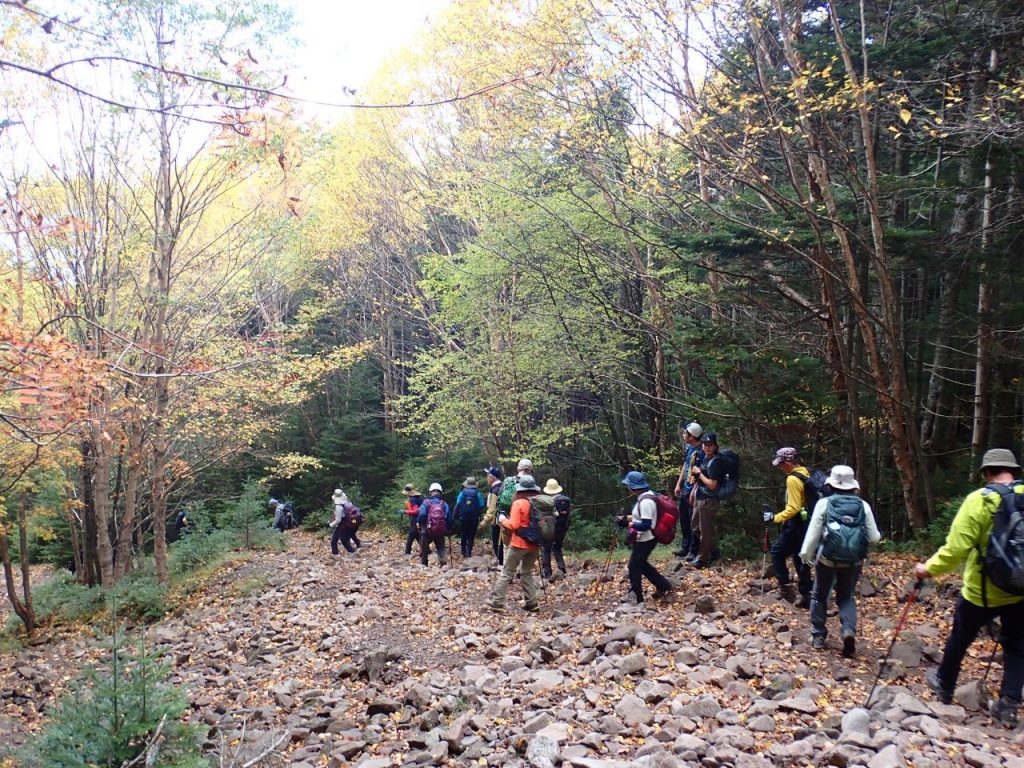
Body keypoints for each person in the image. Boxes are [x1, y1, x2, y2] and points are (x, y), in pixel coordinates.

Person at [915, 448, 1024, 726]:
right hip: (1020, 591)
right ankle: (1009, 704)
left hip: (981, 591)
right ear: (1013, 470)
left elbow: (956, 549)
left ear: (987, 473)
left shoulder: (979, 500)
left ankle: (944, 684)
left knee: (961, 637)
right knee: (1016, 645)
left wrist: (928, 569)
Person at [799, 465, 880, 656]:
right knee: (846, 596)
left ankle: (818, 635)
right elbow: (875, 537)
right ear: (853, 485)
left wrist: (805, 555)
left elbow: (813, 534)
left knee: (819, 595)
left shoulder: (824, 504)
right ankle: (848, 630)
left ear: (831, 484)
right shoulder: (863, 505)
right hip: (853, 561)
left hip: (827, 559)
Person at [486, 474, 542, 613]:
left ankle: (497, 602)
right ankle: (532, 603)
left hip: (519, 544)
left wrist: (503, 520)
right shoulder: (539, 503)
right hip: (535, 544)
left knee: (507, 572)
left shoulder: (519, 503)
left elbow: (514, 525)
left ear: (520, 489)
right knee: (526, 572)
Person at [766, 447, 814, 608]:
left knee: (777, 552)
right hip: (807, 521)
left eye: (781, 464)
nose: (780, 467)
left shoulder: (792, 479)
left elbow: (793, 507)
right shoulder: (806, 472)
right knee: (799, 556)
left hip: (796, 523)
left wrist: (775, 518)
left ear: (787, 463)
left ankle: (787, 589)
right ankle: (807, 593)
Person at [619, 471, 674, 605]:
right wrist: (624, 518)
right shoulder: (647, 496)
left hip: (647, 539)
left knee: (634, 566)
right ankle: (663, 585)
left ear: (633, 487)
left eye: (628, 486)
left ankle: (636, 596)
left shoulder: (646, 502)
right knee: (641, 564)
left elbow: (646, 525)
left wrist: (628, 524)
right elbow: (640, 517)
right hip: (645, 538)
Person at [689, 432, 725, 568]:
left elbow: (712, 484)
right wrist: (695, 482)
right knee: (695, 527)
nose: (707, 447)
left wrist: (699, 473)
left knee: (705, 531)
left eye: (710, 445)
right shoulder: (705, 458)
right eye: (705, 444)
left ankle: (702, 559)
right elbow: (702, 479)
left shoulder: (717, 462)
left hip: (709, 500)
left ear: (715, 446)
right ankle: (713, 552)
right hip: (700, 496)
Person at [673, 421, 703, 560]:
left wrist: (695, 489)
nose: (684, 435)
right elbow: (685, 466)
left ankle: (693, 550)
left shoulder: (702, 450)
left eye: (686, 433)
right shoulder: (689, 448)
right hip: (686, 487)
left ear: (692, 436)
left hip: (695, 490)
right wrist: (678, 484)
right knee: (684, 518)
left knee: (693, 521)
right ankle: (685, 547)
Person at [539, 479, 571, 579]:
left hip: (550, 529)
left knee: (546, 549)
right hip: (562, 528)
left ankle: (547, 572)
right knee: (557, 548)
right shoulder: (566, 500)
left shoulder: (547, 501)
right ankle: (562, 569)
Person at [418, 482, 452, 567]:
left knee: (424, 547)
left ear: (430, 492)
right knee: (441, 547)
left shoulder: (426, 503)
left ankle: (424, 564)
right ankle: (443, 564)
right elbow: (449, 518)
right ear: (440, 492)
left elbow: (422, 515)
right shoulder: (444, 504)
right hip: (440, 530)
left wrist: (420, 523)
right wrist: (449, 529)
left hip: (427, 530)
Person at [454, 477, 486, 557]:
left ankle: (463, 552)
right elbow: (482, 505)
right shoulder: (477, 494)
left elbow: (457, 504)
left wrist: (454, 516)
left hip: (463, 518)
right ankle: (469, 553)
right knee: (471, 536)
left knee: (463, 534)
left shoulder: (462, 493)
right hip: (474, 519)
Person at [479, 466, 505, 565]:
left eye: (488, 475)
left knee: (498, 544)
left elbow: (492, 508)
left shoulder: (495, 490)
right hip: (503, 519)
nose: (487, 478)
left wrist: (485, 520)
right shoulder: (501, 487)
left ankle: (501, 564)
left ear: (492, 477)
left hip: (497, 522)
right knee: (501, 543)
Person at [329, 488, 359, 555]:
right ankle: (335, 553)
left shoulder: (338, 507)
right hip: (348, 524)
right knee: (336, 539)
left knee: (341, 541)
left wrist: (331, 524)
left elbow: (338, 520)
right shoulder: (348, 502)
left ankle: (351, 552)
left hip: (342, 525)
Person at [402, 484, 424, 555]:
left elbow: (416, 511)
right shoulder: (419, 498)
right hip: (421, 518)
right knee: (417, 534)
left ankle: (407, 552)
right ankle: (425, 549)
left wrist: (405, 511)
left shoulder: (412, 499)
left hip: (415, 518)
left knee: (411, 534)